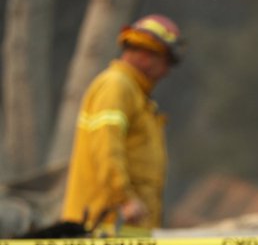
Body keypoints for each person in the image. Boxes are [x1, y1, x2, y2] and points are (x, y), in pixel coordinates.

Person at [61, 14, 184, 231]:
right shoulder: (116, 87)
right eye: (167, 61)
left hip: (128, 228)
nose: (167, 72)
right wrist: (125, 200)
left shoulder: (134, 93)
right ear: (147, 55)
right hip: (108, 225)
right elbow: (106, 149)